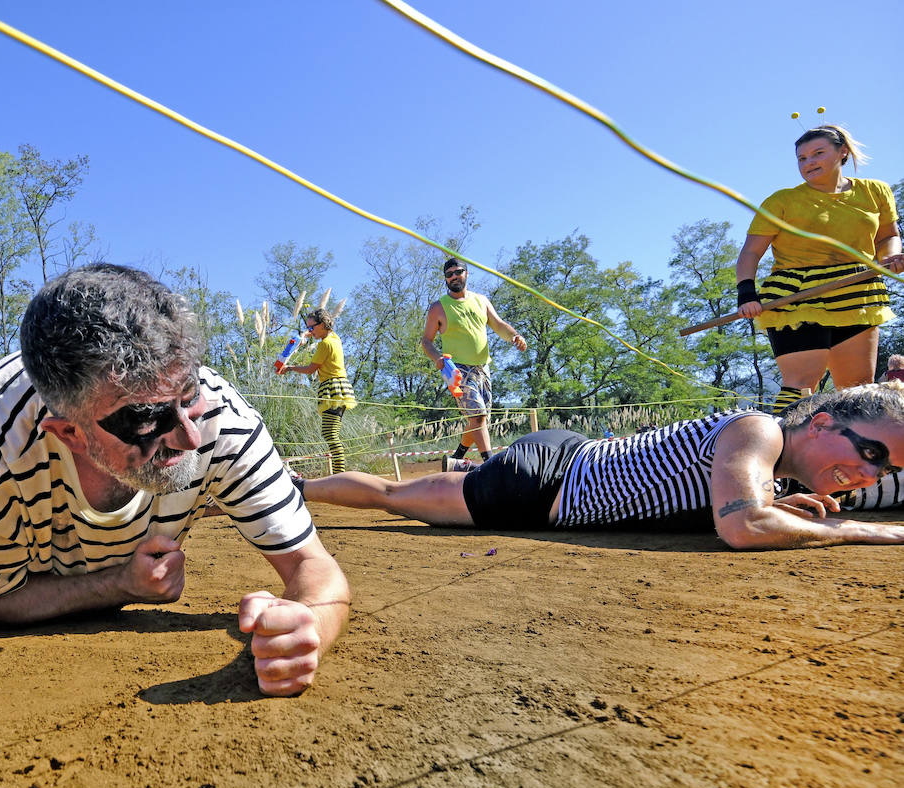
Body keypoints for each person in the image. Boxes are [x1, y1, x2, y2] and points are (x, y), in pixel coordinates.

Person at [0, 264, 350, 697]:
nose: (188, 435)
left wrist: (311, 624)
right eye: (144, 420)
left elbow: (315, 568)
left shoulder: (222, 417)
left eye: (189, 393)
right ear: (69, 433)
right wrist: (120, 585)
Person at [297, 382, 904, 550]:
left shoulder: (767, 463)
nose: (870, 475)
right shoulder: (760, 430)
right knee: (394, 495)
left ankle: (298, 485)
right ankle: (293, 486)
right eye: (870, 451)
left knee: (409, 489)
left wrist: (774, 504)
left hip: (565, 465)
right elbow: (743, 526)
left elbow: (744, 509)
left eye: (884, 469)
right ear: (822, 421)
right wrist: (849, 528)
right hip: (543, 481)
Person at [735, 124, 903, 415]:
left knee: (856, 391)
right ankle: (781, 455)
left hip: (857, 291)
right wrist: (746, 293)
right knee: (800, 387)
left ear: (843, 153)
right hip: (797, 295)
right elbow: (750, 252)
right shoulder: (781, 201)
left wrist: (890, 259)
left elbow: (888, 236)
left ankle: (852, 458)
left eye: (818, 153)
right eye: (802, 158)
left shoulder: (876, 192)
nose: (809, 162)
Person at [420, 257, 527, 470]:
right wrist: (437, 359)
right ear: (445, 279)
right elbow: (426, 341)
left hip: (483, 368)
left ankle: (456, 459)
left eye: (457, 272)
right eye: (449, 274)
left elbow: (498, 325)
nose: (453, 277)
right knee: (478, 416)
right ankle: (492, 465)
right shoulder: (438, 308)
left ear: (466, 273)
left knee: (479, 421)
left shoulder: (481, 300)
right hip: (457, 370)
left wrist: (514, 336)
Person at [277, 306, 356, 472]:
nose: (310, 330)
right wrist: (304, 336)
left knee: (330, 434)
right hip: (341, 388)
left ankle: (339, 474)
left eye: (312, 327)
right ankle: (338, 474)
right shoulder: (334, 338)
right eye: (308, 327)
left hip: (332, 389)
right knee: (331, 433)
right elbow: (319, 336)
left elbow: (310, 369)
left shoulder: (324, 344)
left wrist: (290, 368)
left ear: (322, 324)